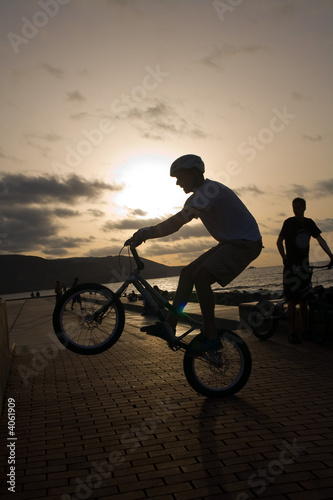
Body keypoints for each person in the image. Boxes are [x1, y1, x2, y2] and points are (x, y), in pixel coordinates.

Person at [129, 154, 262, 353]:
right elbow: (176, 223)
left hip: (246, 243)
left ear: (194, 173)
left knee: (201, 277)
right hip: (230, 243)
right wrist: (145, 232)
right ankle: (170, 325)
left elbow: (177, 223)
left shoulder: (209, 190)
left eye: (180, 177)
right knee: (188, 272)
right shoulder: (198, 196)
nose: (177, 183)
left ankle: (212, 336)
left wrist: (144, 233)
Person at [276, 197, 333, 344]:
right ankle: (292, 332)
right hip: (291, 268)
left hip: (304, 267)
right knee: (292, 300)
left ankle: (306, 331)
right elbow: (279, 242)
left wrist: (331, 256)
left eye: (298, 207)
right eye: (294, 207)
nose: (296, 210)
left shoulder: (309, 223)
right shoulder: (289, 223)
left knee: (304, 299)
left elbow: (320, 240)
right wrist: (284, 258)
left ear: (304, 208)